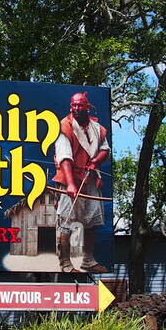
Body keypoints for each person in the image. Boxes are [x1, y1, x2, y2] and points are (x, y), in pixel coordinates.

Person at [52, 91, 110, 274]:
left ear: (87, 106)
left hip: (90, 178)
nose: (76, 108)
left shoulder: (96, 128)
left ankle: (88, 261)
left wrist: (94, 162)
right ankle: (65, 265)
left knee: (92, 220)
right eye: (74, 105)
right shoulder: (65, 127)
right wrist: (70, 184)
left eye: (80, 105)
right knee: (65, 221)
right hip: (70, 178)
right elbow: (65, 158)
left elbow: (104, 149)